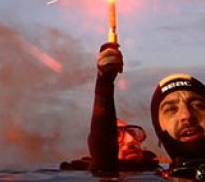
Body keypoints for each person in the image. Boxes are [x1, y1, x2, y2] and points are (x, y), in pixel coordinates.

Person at [62, 43, 160, 173]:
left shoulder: (157, 172)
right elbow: (104, 152)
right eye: (117, 135)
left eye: (132, 133)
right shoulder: (88, 171)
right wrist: (104, 83)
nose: (131, 141)